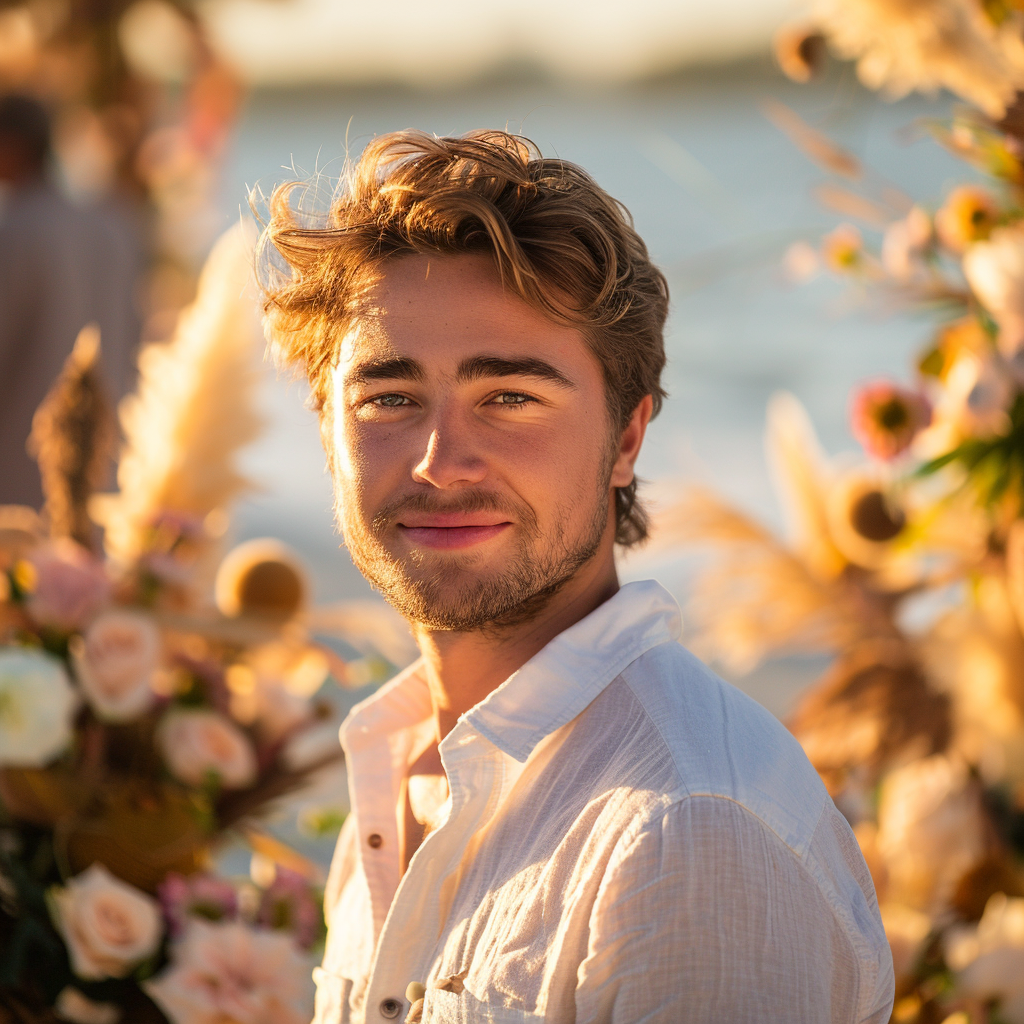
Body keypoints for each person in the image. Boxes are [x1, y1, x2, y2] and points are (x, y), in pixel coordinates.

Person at [258, 130, 894, 1024]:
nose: (442, 462)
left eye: (510, 397)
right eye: (389, 398)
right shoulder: (395, 766)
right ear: (327, 432)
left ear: (626, 439)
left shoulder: (689, 831)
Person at [0, 93, 142, 508]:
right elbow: (136, 340)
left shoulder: (16, 230)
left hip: (24, 461)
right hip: (107, 464)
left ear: (13, 146)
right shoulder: (112, 225)